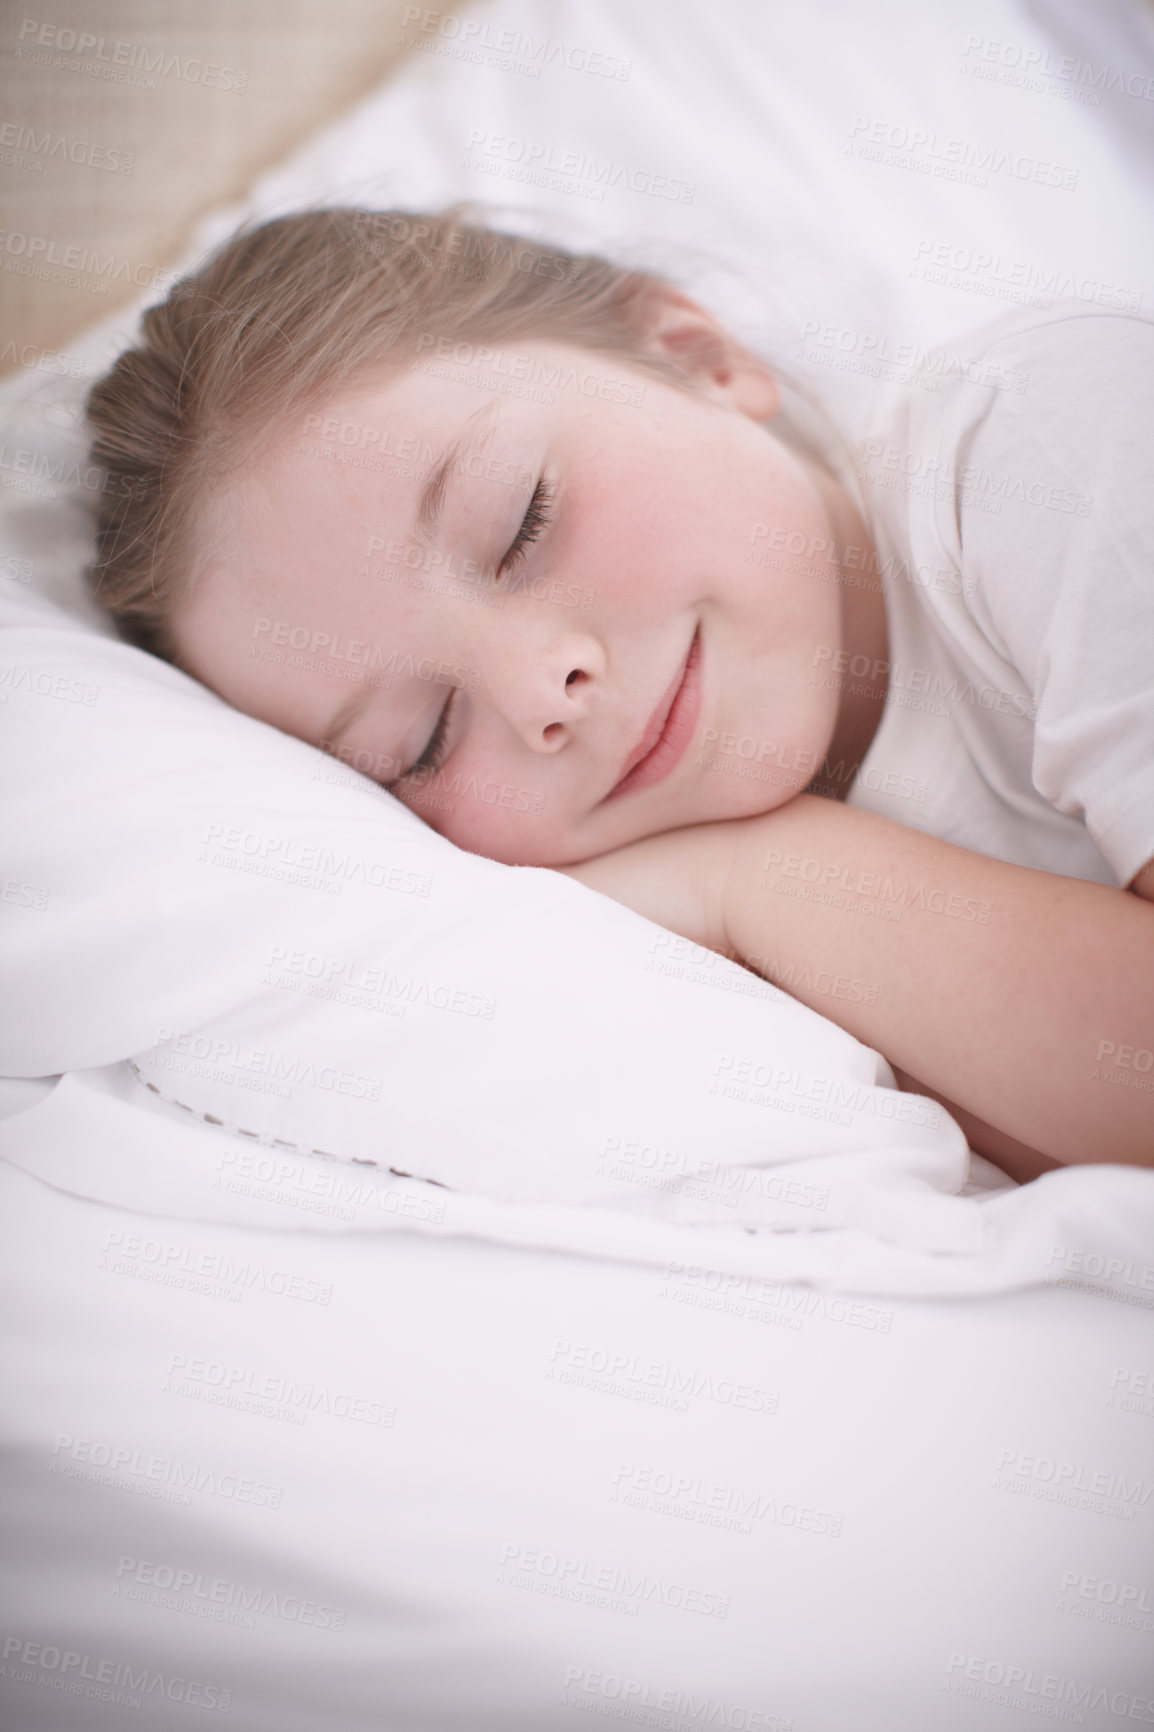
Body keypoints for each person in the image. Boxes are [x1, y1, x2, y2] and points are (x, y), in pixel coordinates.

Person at [84, 206, 1154, 1183]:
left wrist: (762, 876)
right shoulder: (657, 974)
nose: (540, 687)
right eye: (421, 741)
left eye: (523, 523)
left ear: (693, 357)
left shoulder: (1034, 437)